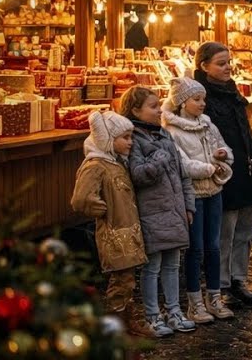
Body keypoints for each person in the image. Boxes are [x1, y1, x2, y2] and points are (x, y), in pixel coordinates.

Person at [195, 41, 252, 306]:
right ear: (204, 66)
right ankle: (221, 284)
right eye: (221, 63)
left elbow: (245, 128)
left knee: (246, 230)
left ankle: (240, 279)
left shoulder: (232, 92)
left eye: (228, 62)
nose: (227, 67)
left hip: (246, 169)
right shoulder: (199, 98)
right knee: (224, 232)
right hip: (222, 172)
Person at [70, 109, 155, 338]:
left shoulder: (116, 162)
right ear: (108, 139)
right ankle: (116, 325)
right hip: (114, 233)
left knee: (127, 279)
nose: (131, 142)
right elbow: (81, 199)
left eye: (131, 137)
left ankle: (127, 319)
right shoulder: (96, 165)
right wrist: (101, 209)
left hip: (128, 231)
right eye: (125, 138)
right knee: (120, 280)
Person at [160, 76, 236, 323]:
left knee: (214, 246)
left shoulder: (208, 126)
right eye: (196, 99)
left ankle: (214, 296)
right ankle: (194, 302)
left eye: (203, 99)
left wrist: (224, 155)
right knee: (195, 249)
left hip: (214, 191)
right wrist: (210, 168)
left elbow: (225, 148)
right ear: (182, 103)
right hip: (194, 195)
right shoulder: (172, 132)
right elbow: (183, 164)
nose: (203, 103)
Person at [122, 86, 195, 336]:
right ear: (135, 110)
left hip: (174, 211)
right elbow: (138, 174)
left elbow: (183, 174)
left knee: (173, 265)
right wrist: (159, 160)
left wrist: (188, 205)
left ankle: (174, 310)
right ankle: (152, 315)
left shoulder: (164, 135)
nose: (159, 110)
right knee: (152, 267)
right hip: (152, 213)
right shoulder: (134, 139)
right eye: (153, 106)